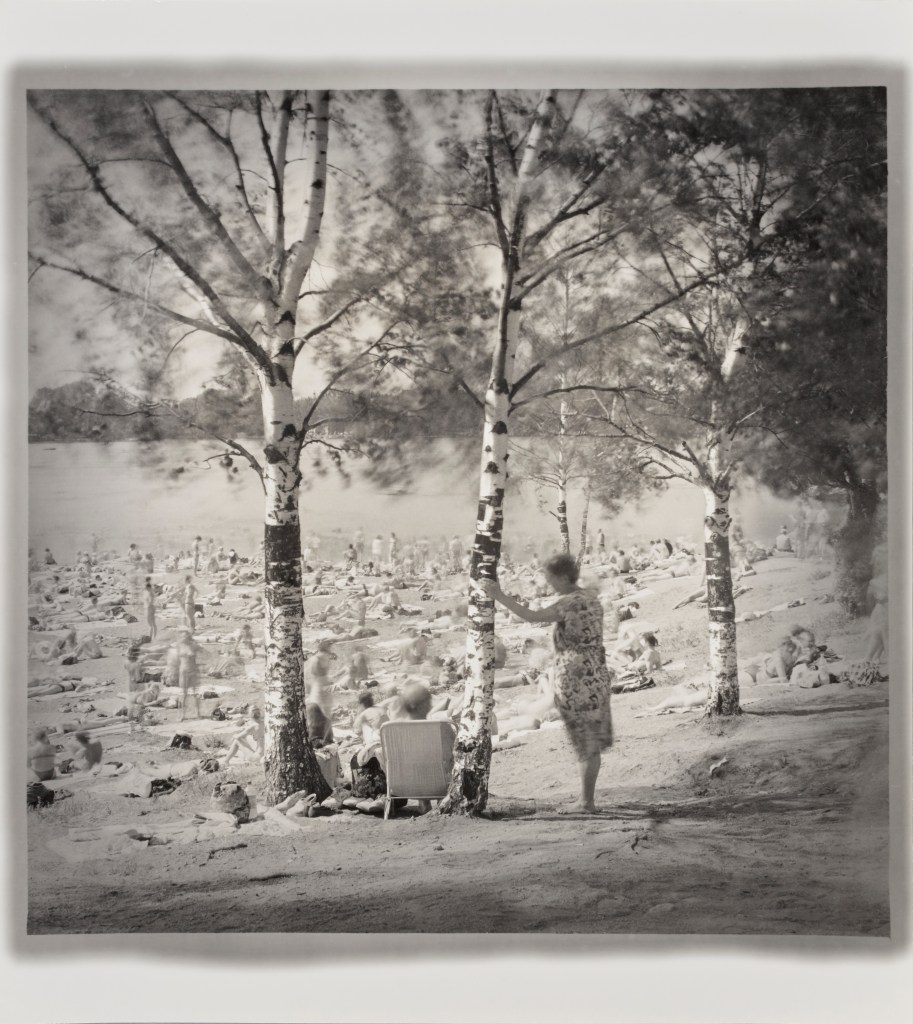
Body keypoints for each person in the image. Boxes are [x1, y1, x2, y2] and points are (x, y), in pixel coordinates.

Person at [480, 552, 614, 814]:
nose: (548, 583)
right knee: (591, 739)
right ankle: (587, 799)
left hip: (576, 677)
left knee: (584, 741)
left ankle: (586, 802)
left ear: (563, 577)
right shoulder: (591, 599)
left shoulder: (568, 603)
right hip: (596, 672)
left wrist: (499, 595)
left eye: (550, 578)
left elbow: (531, 616)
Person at [176, 630, 201, 721]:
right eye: (183, 636)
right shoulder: (179, 646)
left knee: (195, 693)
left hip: (193, 671)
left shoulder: (193, 645)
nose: (185, 638)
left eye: (186, 636)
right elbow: (176, 660)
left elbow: (202, 653)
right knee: (183, 694)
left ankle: (198, 713)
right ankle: (181, 714)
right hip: (183, 671)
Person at [125, 644, 146, 733]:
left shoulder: (126, 662)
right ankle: (141, 726)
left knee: (131, 705)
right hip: (138, 685)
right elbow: (138, 678)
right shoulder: (137, 664)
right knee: (140, 705)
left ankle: (131, 727)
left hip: (130, 684)